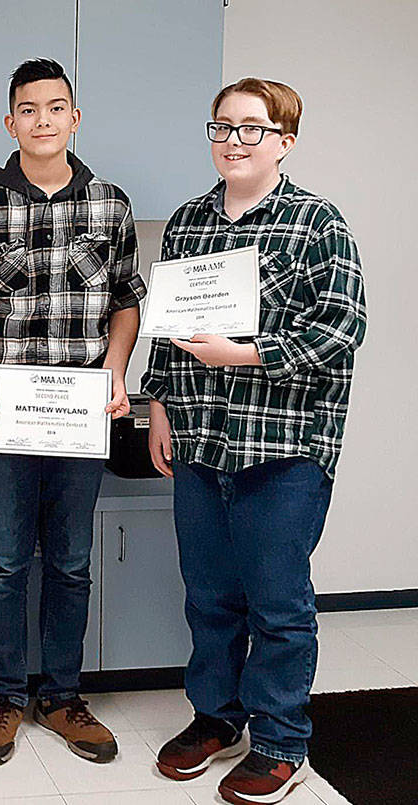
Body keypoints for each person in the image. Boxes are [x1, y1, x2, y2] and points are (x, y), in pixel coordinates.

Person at [142, 78, 366, 805]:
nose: (233, 141)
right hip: (201, 442)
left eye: (250, 128)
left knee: (277, 602)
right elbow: (168, 333)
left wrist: (244, 353)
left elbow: (341, 329)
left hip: (285, 449)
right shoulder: (187, 224)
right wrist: (161, 409)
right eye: (221, 127)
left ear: (284, 140)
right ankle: (215, 717)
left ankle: (280, 740)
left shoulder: (317, 223)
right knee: (208, 596)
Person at [0, 58, 145, 766]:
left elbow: (127, 301)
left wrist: (116, 371)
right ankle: (2, 694)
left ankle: (61, 694)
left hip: (81, 410)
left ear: (74, 117)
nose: (42, 120)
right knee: (3, 559)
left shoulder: (111, 205)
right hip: (2, 409)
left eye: (55, 107)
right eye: (28, 109)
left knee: (69, 559)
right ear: (11, 122)